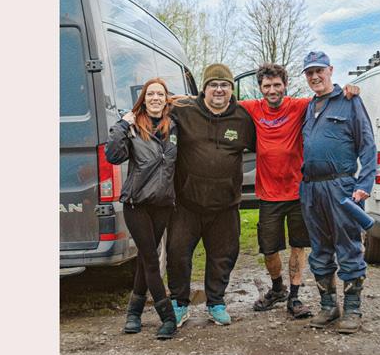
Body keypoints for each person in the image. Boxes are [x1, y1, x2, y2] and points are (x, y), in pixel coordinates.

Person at [240, 64, 359, 319]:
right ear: (260, 88)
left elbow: (327, 97)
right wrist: (176, 97)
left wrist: (348, 89)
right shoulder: (252, 108)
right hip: (268, 194)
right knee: (269, 248)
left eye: (277, 85)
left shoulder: (300, 106)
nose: (272, 90)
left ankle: (294, 297)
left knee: (298, 246)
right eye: (267, 86)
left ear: (285, 85)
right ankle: (277, 288)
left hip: (297, 191)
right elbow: (217, 101)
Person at [166, 63, 256, 326]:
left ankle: (216, 302)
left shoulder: (242, 118)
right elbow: (153, 107)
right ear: (204, 89)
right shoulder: (183, 111)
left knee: (224, 255)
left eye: (224, 85)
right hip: (186, 203)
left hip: (225, 204)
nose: (219, 90)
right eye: (213, 85)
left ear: (231, 89)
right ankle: (180, 303)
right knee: (177, 253)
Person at [299, 51, 377, 334]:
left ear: (331, 70)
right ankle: (329, 307)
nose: (315, 76)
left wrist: (363, 185)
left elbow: (368, 145)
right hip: (311, 188)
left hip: (342, 187)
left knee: (348, 247)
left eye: (319, 70)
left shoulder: (349, 100)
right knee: (319, 249)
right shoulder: (309, 107)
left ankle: (353, 310)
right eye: (309, 73)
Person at [105, 78, 178, 340]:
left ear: (166, 98)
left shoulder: (175, 126)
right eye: (151, 95)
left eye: (160, 94)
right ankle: (167, 317)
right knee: (149, 258)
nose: (156, 98)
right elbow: (113, 155)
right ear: (144, 100)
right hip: (136, 204)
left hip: (163, 205)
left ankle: (133, 313)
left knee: (145, 259)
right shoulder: (134, 127)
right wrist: (123, 124)